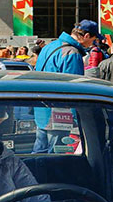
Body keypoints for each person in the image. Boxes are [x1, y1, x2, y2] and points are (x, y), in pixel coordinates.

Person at [32, 21, 97, 152]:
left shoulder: (50, 47)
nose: (93, 44)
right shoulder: (72, 53)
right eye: (93, 40)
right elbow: (73, 90)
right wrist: (77, 118)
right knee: (55, 155)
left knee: (39, 153)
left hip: (41, 110)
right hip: (59, 114)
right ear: (86, 36)